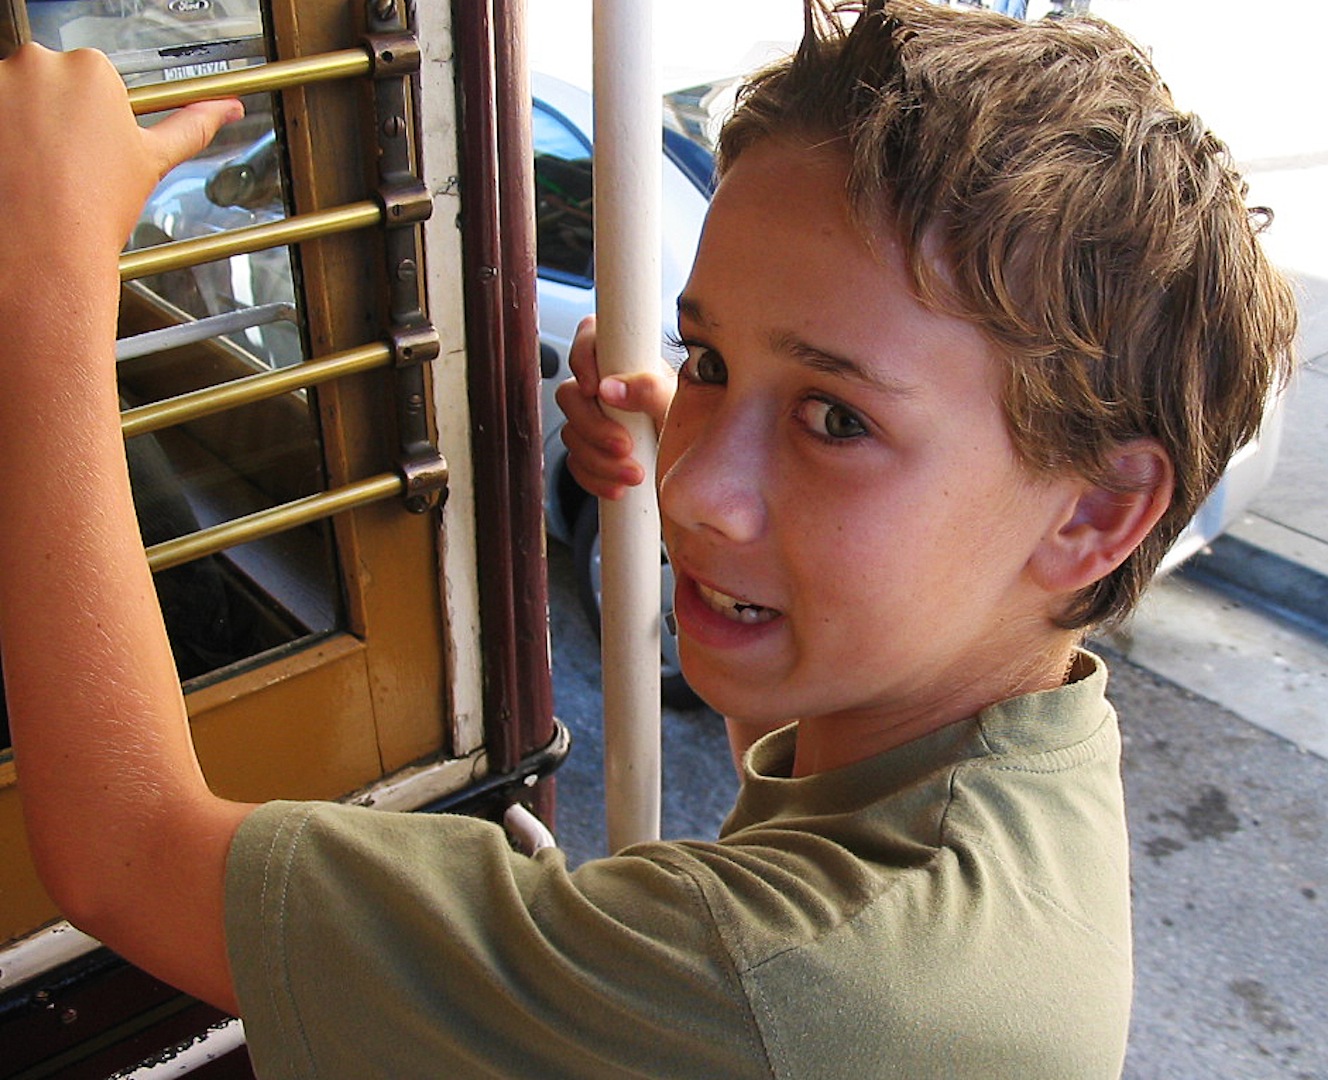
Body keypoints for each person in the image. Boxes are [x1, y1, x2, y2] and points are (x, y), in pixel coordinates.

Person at [0, 2, 1296, 1077]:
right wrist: (720, 458)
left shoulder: (756, 983)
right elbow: (799, 758)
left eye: (836, 417)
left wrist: (46, 291)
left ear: (1092, 513)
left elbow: (127, 855)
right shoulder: (1013, 749)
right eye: (713, 358)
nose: (697, 493)